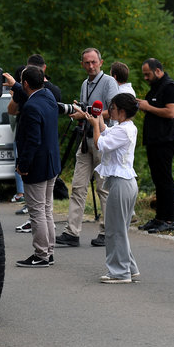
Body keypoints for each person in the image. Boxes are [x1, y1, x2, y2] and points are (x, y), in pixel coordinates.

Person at [56, 48, 119, 247]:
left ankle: (107, 232)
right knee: (78, 186)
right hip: (85, 139)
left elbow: (115, 112)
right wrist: (81, 109)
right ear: (82, 64)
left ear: (101, 62)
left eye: (93, 62)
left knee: (103, 188)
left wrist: (86, 115)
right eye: (86, 63)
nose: (90, 66)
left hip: (103, 139)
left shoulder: (108, 82)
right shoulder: (85, 84)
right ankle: (72, 232)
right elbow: (91, 109)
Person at [86, 93, 140, 283]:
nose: (111, 111)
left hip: (121, 183)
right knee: (120, 229)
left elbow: (101, 144)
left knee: (114, 229)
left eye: (114, 108)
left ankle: (119, 272)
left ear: (122, 111)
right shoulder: (126, 127)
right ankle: (129, 268)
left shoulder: (123, 130)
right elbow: (106, 132)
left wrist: (94, 125)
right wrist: (97, 117)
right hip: (126, 183)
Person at [14, 65, 61, 267]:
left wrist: (23, 165)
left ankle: (41, 254)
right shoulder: (49, 96)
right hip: (52, 163)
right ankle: (48, 251)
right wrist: (15, 85)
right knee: (47, 209)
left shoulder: (31, 107)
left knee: (36, 211)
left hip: (37, 166)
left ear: (25, 83)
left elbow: (32, 141)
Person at [137, 58, 174, 234]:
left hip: (165, 141)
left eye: (148, 74)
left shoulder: (169, 87)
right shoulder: (156, 87)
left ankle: (169, 219)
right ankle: (159, 218)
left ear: (158, 71)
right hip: (154, 140)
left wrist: (147, 107)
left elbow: (171, 112)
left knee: (165, 180)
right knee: (158, 180)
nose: (146, 78)